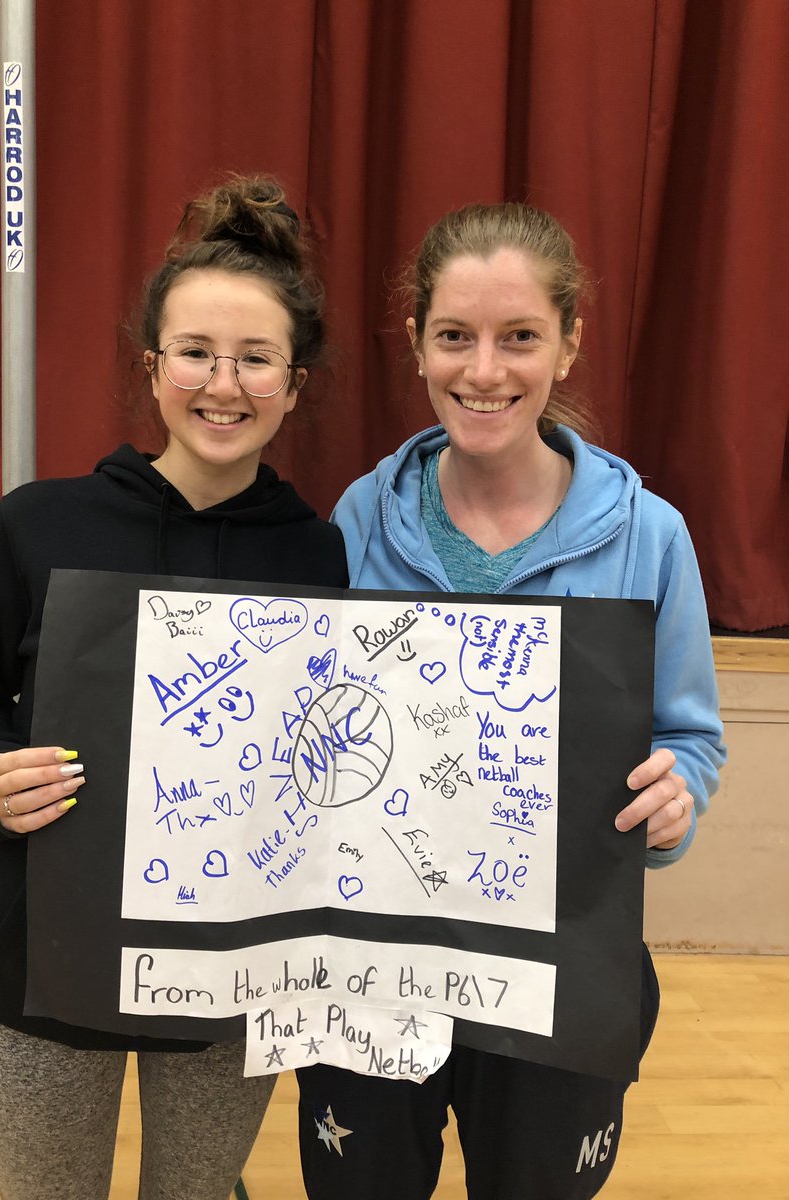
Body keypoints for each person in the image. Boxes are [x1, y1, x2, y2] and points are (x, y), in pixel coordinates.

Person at [0, 175, 347, 1200]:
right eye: (195, 352)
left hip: (229, 976)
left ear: (295, 384)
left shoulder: (318, 556)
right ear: (151, 367)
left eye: (256, 359)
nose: (223, 384)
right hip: (41, 962)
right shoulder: (39, 525)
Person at [296, 201, 726, 1199]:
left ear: (569, 345)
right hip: (375, 966)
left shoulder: (649, 535)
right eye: (455, 336)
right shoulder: (361, 517)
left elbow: (688, 737)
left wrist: (675, 802)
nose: (483, 371)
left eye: (520, 337)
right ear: (417, 345)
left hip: (559, 962)